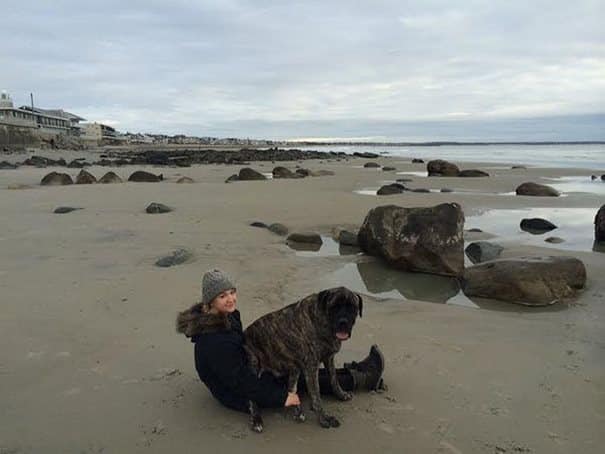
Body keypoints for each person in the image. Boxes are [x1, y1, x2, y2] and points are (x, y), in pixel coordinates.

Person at [176, 269, 385, 414]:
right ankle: (363, 378)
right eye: (223, 296)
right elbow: (240, 381)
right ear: (210, 301)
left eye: (232, 292)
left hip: (249, 362)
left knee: (300, 363)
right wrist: (280, 398)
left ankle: (356, 373)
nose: (230, 299)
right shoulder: (214, 343)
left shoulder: (223, 317)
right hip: (235, 392)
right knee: (303, 376)